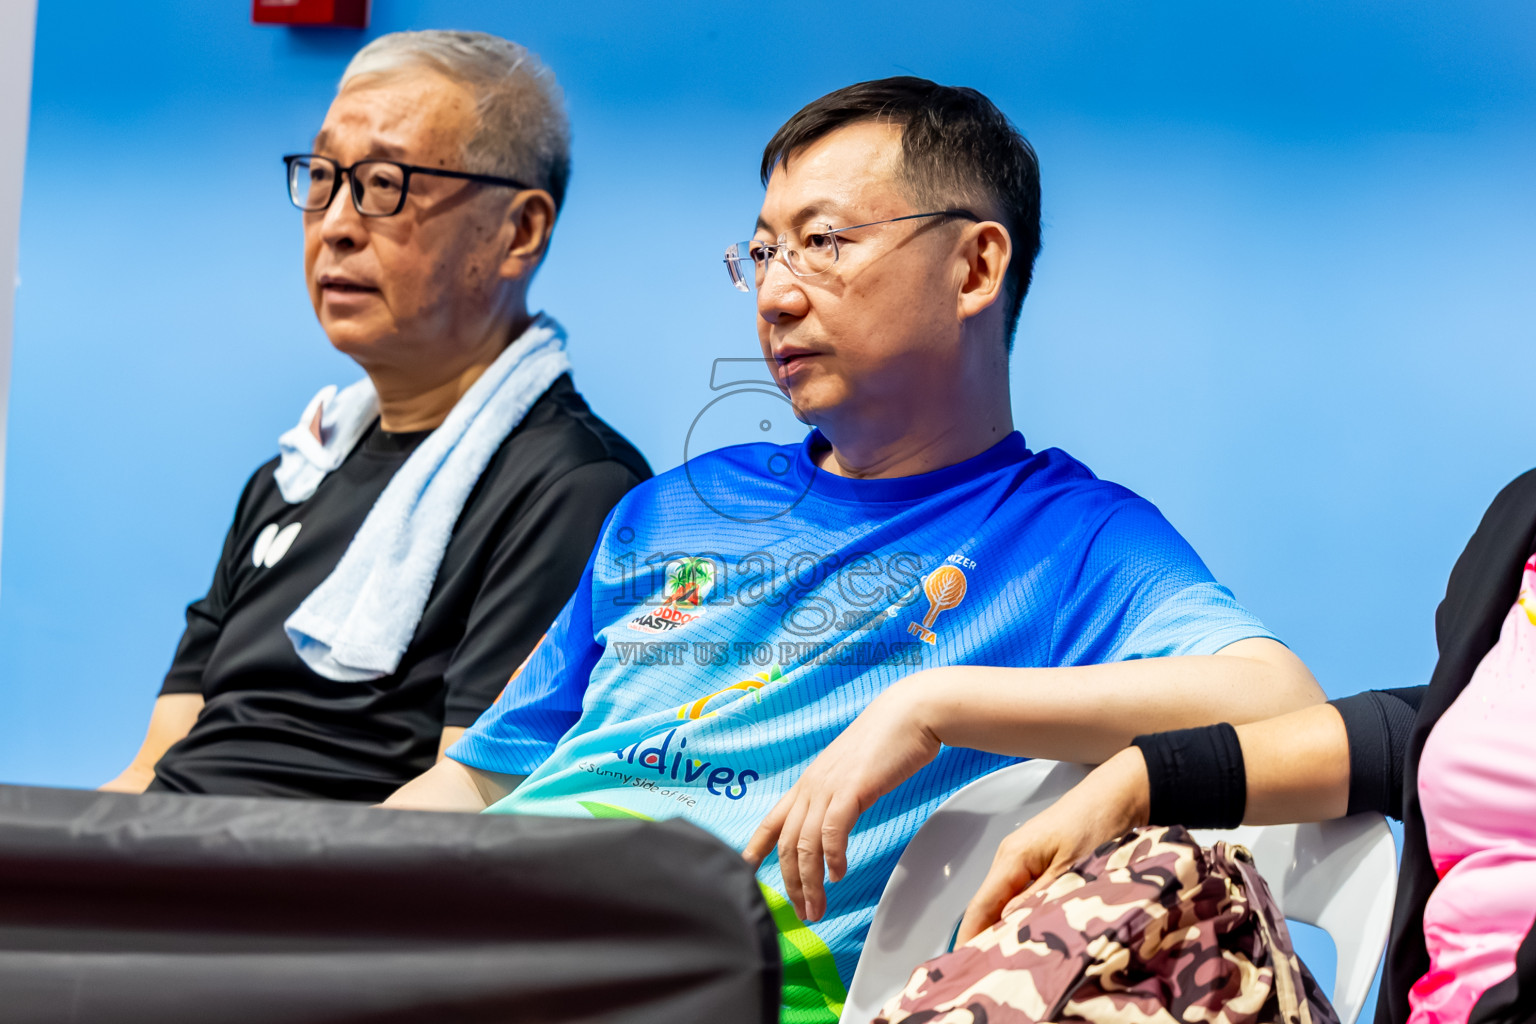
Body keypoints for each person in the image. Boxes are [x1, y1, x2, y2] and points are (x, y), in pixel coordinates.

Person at [382, 77, 1323, 1023]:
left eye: (823, 245)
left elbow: (1279, 700)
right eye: (761, 254)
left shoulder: (1072, 541)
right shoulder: (667, 510)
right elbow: (482, 776)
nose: (776, 298)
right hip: (468, 929)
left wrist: (935, 706)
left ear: (973, 269)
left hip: (688, 977)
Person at [100, 31, 650, 803]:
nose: (336, 224)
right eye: (323, 177)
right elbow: (150, 767)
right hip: (158, 875)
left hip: (319, 908)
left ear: (519, 232)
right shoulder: (293, 474)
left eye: (385, 183)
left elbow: (474, 806)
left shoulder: (574, 487)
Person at [957, 470, 1536, 1024]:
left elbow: (1282, 694)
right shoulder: (1521, 526)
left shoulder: (1085, 527)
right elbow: (1439, 731)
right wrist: (1137, 783)